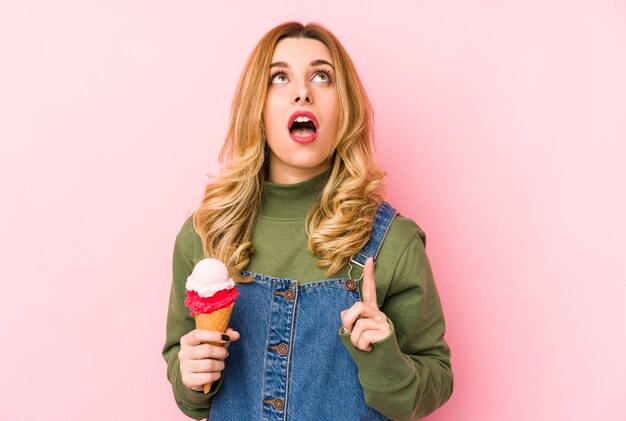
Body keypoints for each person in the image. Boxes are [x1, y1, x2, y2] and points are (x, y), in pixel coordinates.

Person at [162, 21, 453, 421]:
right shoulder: (205, 237)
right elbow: (188, 383)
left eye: (322, 76)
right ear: (257, 107)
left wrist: (385, 358)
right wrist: (191, 377)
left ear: (344, 107)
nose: (303, 91)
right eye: (279, 78)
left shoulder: (393, 243)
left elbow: (434, 381)